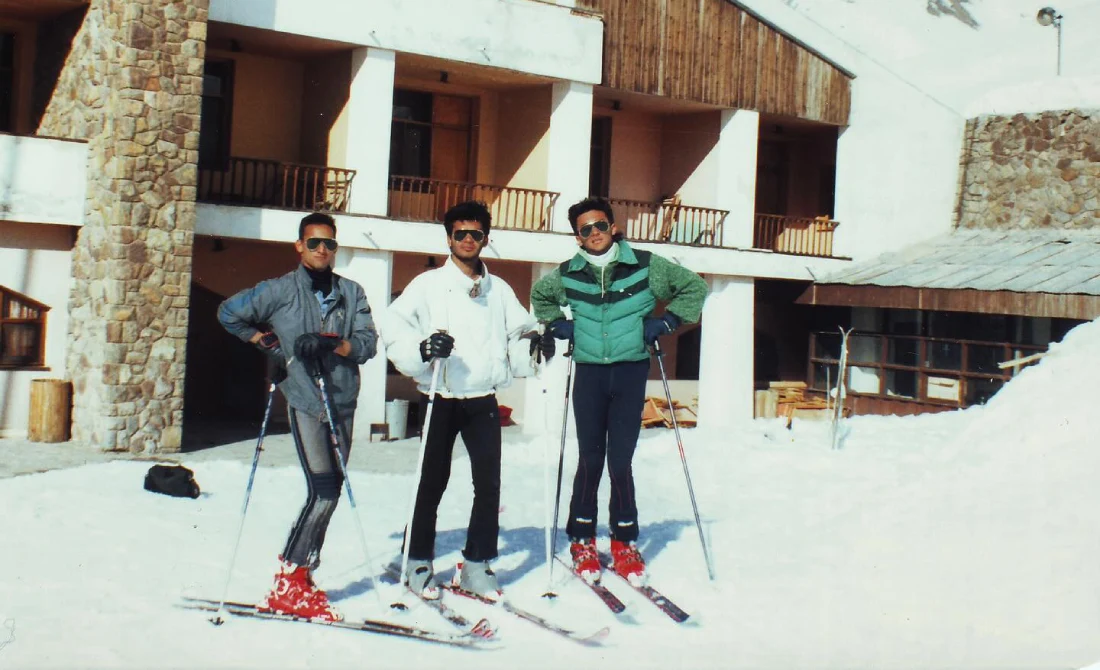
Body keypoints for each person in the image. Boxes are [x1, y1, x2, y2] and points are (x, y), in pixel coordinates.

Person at [530, 197, 707, 586]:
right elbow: (541, 297)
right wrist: (558, 323)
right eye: (585, 229)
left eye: (600, 225)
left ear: (613, 227)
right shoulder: (568, 273)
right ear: (577, 236)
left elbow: (693, 287)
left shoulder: (645, 265)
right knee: (590, 460)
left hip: (629, 372)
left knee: (621, 460)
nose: (594, 233)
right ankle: (581, 539)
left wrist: (667, 321)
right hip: (591, 374)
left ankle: (624, 541)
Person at [218, 212, 378, 622]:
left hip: (342, 400)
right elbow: (228, 312)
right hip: (306, 400)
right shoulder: (280, 290)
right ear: (299, 246)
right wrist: (265, 342)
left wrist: (333, 344)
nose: (322, 250)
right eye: (314, 243)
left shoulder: (351, 292)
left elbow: (366, 343)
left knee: (333, 493)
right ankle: (288, 580)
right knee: (322, 490)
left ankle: (304, 575)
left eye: (329, 244)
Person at [382, 200, 538, 600]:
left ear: (486, 238)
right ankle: (417, 559)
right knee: (430, 482)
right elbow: (394, 324)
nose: (468, 240)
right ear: (448, 238)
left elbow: (519, 332)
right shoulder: (428, 284)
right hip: (440, 395)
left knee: (488, 485)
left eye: (476, 234)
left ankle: (477, 564)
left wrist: (535, 342)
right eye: (460, 234)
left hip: (482, 399)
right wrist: (424, 347)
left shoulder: (498, 289)